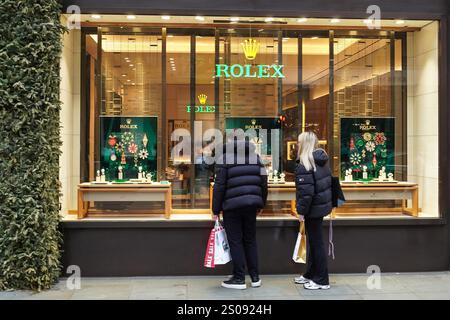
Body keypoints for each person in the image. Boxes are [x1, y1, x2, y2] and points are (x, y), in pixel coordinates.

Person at [212, 137, 268, 290]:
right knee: (250, 240)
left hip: (232, 207)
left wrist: (215, 210)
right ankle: (255, 277)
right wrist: (261, 203)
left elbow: (219, 186)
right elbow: (264, 182)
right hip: (251, 206)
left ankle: (239, 278)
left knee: (235, 241)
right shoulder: (256, 158)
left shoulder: (225, 159)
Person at [294, 132, 332, 290]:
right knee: (314, 242)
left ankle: (322, 280)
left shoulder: (306, 164)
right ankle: (310, 274)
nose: (297, 145)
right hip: (320, 207)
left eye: (298, 142)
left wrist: (301, 211)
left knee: (316, 244)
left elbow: (306, 193)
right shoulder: (321, 160)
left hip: (312, 209)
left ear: (304, 144)